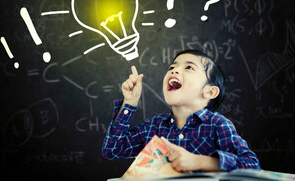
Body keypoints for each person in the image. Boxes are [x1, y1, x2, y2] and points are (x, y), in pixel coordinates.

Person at [102, 49, 261, 172]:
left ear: (209, 92)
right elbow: (112, 149)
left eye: (189, 67)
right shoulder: (154, 127)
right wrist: (130, 102)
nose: (173, 70)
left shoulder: (218, 125)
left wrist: (201, 161)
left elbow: (252, 165)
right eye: (172, 67)